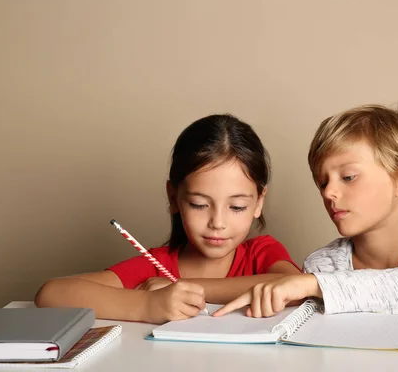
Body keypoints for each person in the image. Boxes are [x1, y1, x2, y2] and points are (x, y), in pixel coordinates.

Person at [35, 114, 300, 323]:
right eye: (199, 204)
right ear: (173, 197)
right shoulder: (155, 266)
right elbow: (51, 294)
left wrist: (187, 288)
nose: (218, 222)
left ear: (259, 202)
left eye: (237, 207)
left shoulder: (261, 252)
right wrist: (149, 305)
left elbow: (292, 285)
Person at [215, 104, 398, 318]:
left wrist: (312, 284)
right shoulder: (322, 264)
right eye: (323, 182)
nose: (328, 193)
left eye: (348, 177)